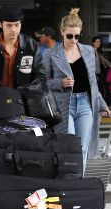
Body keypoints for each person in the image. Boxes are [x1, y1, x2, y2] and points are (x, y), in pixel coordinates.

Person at [43, 8, 111, 175]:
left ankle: (77, 182)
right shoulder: (51, 54)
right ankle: (67, 179)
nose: (73, 39)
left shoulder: (88, 51)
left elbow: (93, 83)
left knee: (82, 147)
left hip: (86, 105)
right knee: (69, 145)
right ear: (61, 32)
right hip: (63, 105)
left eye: (77, 36)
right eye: (69, 36)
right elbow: (42, 83)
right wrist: (60, 83)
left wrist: (103, 105)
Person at [91, 36, 111, 100]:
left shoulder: (99, 51)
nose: (98, 43)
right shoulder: (92, 51)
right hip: (96, 73)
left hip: (101, 72)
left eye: (99, 41)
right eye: (96, 41)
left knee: (102, 88)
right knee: (100, 89)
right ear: (93, 43)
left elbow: (104, 61)